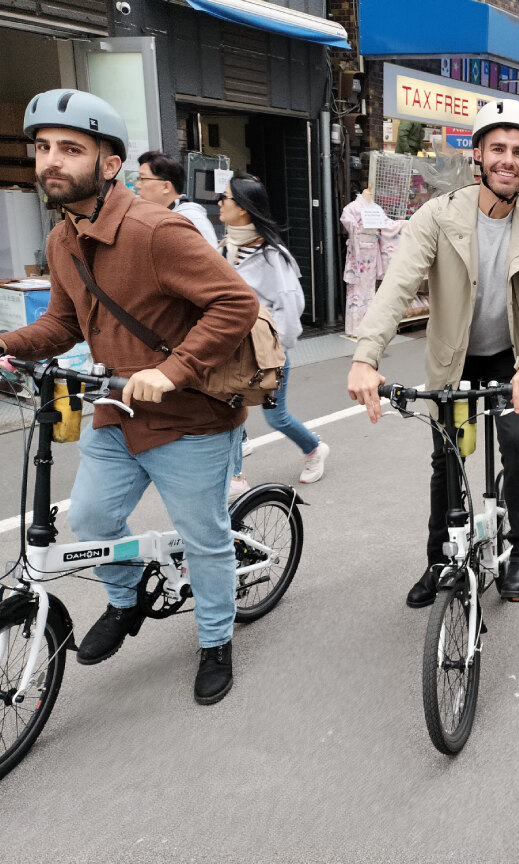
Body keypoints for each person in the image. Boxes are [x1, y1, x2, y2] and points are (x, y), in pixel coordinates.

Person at [0, 89, 259, 704]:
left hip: (190, 419)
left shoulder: (154, 230)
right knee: (88, 519)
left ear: (109, 163)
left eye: (70, 149)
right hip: (117, 412)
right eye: (42, 149)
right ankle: (126, 599)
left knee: (204, 539)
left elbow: (237, 303)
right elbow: (64, 323)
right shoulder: (65, 240)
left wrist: (174, 369)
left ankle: (216, 640)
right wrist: (5, 342)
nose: (50, 162)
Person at [346, 98, 519, 607]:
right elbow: (397, 288)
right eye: (499, 148)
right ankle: (439, 558)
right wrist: (365, 357)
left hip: (511, 358)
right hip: (455, 358)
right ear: (479, 154)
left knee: (517, 442)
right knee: (448, 456)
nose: (509, 159)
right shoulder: (437, 217)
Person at [218, 173, 328, 496]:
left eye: (226, 198)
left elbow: (292, 309)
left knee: (275, 417)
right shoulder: (225, 249)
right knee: (230, 411)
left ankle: (314, 449)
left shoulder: (271, 257)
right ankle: (236, 475)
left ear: (245, 210)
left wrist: (274, 346)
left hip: (265, 354)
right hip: (231, 352)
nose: (219, 203)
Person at [134, 150, 218, 246]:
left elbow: (211, 259)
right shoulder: (157, 217)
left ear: (166, 187)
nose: (137, 185)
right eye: (138, 179)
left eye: (143, 179)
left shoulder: (192, 219)